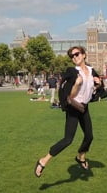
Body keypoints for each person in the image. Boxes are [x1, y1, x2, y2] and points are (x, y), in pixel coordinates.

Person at [35, 46, 100, 177]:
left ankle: (81, 156)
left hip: (84, 107)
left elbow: (95, 89)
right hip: (74, 108)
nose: (74, 57)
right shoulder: (72, 72)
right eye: (72, 56)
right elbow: (69, 95)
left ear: (84, 55)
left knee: (89, 136)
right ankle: (43, 160)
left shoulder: (92, 71)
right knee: (68, 139)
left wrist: (98, 83)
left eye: (76, 54)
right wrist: (77, 84)